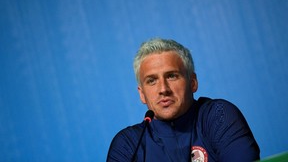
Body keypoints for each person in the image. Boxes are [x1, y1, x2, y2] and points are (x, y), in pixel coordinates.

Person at [107, 38, 260, 162]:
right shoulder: (128, 145)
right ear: (141, 94)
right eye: (152, 81)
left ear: (192, 82)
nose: (163, 89)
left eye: (172, 76)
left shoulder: (218, 115)